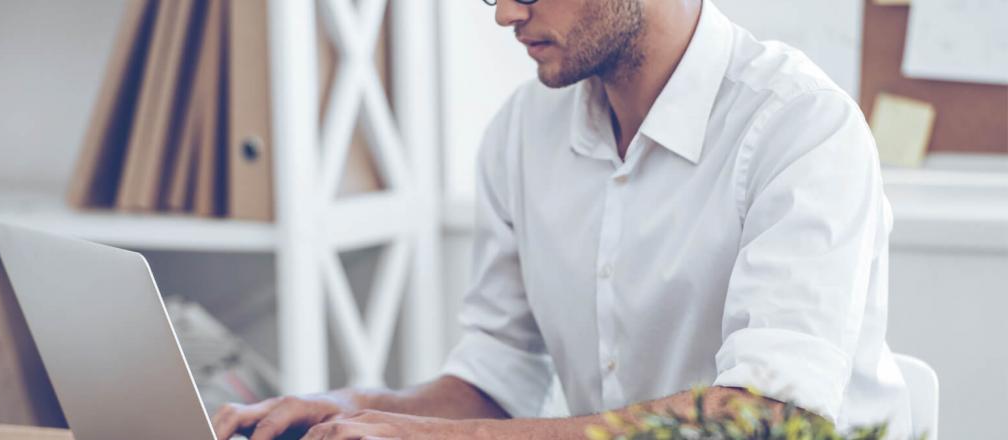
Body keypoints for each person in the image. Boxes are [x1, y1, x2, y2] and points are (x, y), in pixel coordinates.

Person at [213, 0, 912, 438]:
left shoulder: (802, 128)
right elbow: (498, 380)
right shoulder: (523, 130)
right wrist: (350, 407)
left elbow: (770, 419)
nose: (503, 14)